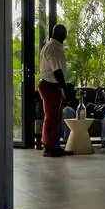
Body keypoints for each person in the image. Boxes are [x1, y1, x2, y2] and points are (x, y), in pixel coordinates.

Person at [37, 23, 69, 157]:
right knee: (51, 117)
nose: (65, 35)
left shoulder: (53, 46)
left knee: (54, 117)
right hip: (50, 85)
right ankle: (49, 146)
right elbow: (57, 71)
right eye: (64, 32)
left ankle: (54, 145)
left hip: (52, 85)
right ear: (58, 34)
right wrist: (64, 88)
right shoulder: (53, 48)